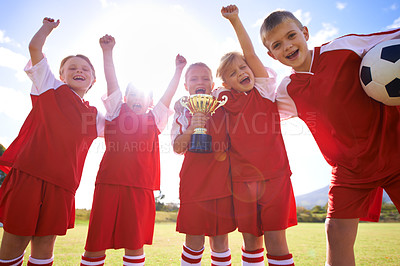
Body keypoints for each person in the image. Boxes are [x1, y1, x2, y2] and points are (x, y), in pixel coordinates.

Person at [260, 9, 400, 266]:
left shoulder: (344, 48)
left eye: (292, 36)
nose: (288, 46)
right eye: (277, 45)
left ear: (305, 33)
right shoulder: (287, 90)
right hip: (350, 172)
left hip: (395, 153)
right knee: (335, 232)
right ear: (271, 55)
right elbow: (262, 113)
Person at [0, 18, 104, 266]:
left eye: (85, 69)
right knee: (15, 240)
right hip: (29, 175)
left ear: (93, 81)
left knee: (45, 246)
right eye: (72, 67)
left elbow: (122, 127)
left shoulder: (95, 116)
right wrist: (47, 28)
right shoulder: (49, 86)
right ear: (60, 74)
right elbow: (35, 49)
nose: (79, 70)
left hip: (63, 185)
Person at [80, 34, 186, 266]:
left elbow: (168, 96)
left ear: (150, 102)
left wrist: (178, 70)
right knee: (95, 244)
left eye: (143, 96)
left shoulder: (155, 119)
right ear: (126, 98)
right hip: (109, 183)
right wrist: (107, 52)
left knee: (135, 246)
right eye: (133, 95)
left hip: (140, 187)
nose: (138, 98)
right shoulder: (117, 110)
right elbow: (112, 81)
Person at [216, 5, 297, 266]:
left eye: (243, 68)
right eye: (233, 73)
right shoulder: (225, 100)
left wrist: (235, 21)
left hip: (275, 177)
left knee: (276, 241)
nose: (242, 72)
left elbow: (249, 53)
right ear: (226, 83)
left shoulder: (263, 90)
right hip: (242, 181)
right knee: (251, 242)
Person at [171, 61, 236, 266]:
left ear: (213, 83)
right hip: (193, 183)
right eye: (194, 78)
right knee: (194, 242)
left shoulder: (222, 103)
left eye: (205, 78)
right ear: (186, 86)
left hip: (221, 181)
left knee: (220, 242)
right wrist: (191, 128)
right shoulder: (182, 111)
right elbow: (177, 147)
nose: (200, 81)